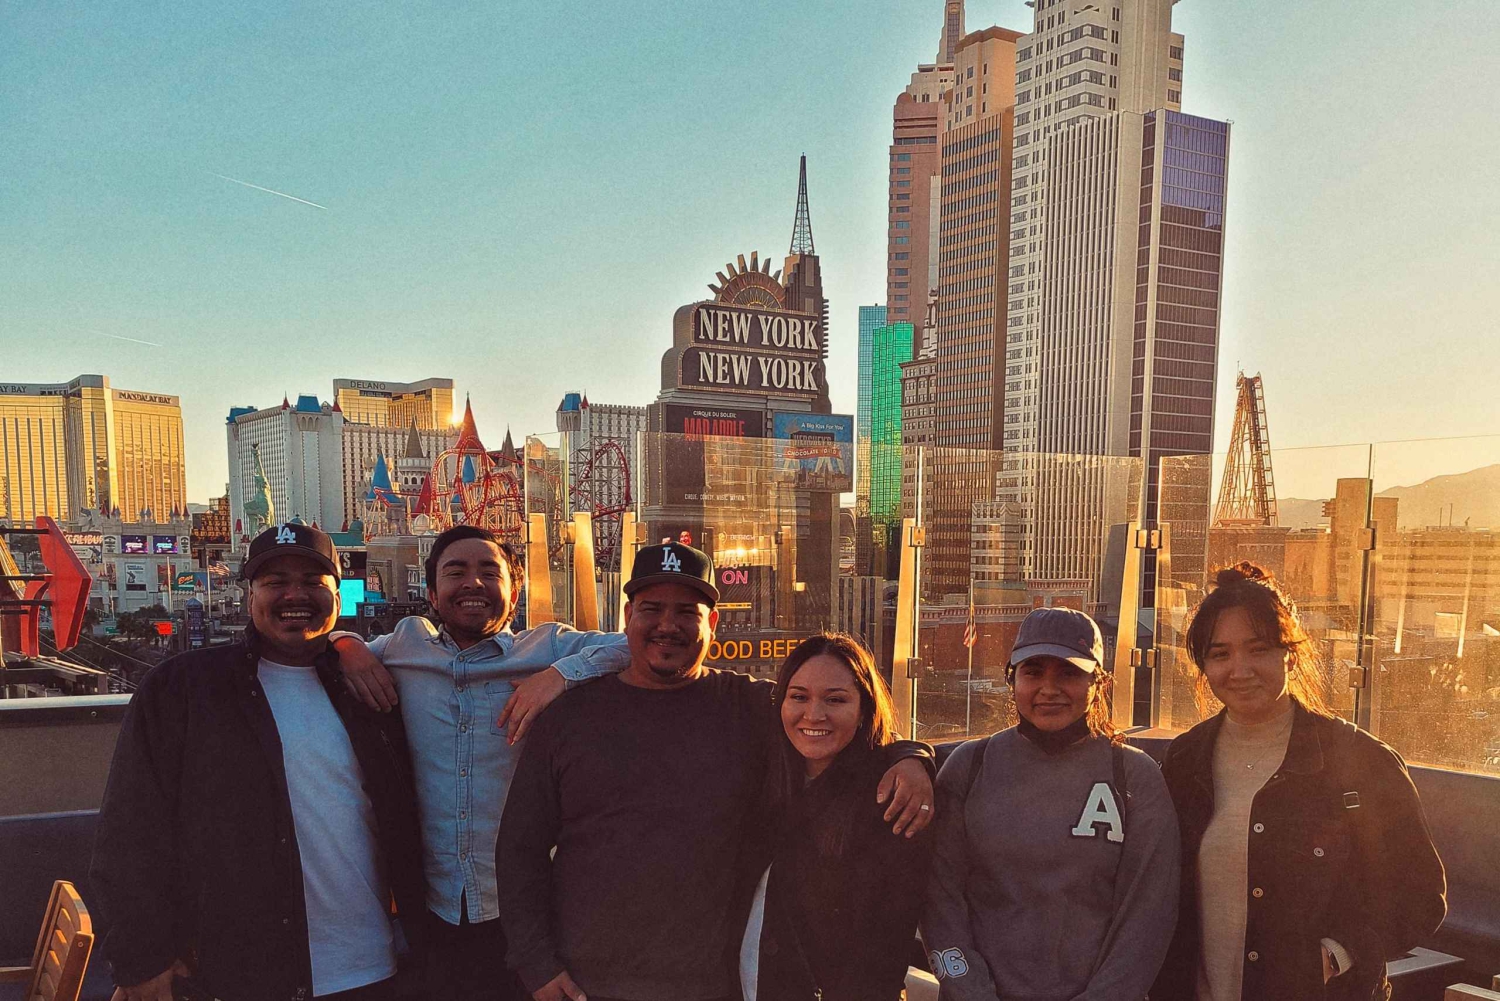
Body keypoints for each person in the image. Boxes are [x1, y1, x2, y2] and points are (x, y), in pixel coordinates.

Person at [495, 542, 936, 1001]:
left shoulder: (753, 707)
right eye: (652, 609)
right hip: (585, 984)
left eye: (687, 611)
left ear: (713, 624)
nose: (668, 625)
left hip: (715, 984)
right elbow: (520, 848)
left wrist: (910, 756)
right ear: (627, 618)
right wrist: (537, 965)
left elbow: (834, 726)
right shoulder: (569, 718)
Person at [91, 523, 425, 1001]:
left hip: (370, 964)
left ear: (337, 595)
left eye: (312, 582)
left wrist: (345, 642)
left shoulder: (372, 690)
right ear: (250, 596)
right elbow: (130, 831)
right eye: (275, 582)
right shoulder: (182, 690)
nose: (295, 595)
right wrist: (141, 958)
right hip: (235, 974)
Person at [329, 524, 632, 1001]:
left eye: (490, 572)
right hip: (431, 910)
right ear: (432, 594)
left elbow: (635, 644)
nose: (473, 583)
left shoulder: (547, 648)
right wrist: (344, 644)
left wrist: (559, 675)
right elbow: (327, 646)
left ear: (515, 593)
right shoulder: (404, 646)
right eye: (456, 572)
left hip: (527, 910)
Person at [1152, 563, 1447, 1001]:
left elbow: (1421, 896)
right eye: (1220, 654)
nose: (1240, 669)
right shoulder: (1184, 760)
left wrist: (1337, 955)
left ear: (1289, 654)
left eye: (1259, 649)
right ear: (1203, 666)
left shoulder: (1360, 761)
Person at [923, 605, 1180, 1001]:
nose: (1049, 688)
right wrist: (971, 992)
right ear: (1012, 680)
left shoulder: (1134, 775)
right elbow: (940, 901)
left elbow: (1149, 912)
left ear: (1098, 682)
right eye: (1033, 672)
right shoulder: (968, 767)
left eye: (1069, 673)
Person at [740, 633, 934, 1001]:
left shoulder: (891, 801)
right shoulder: (761, 776)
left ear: (864, 708)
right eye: (799, 697)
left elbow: (885, 948)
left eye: (835, 700)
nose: (814, 715)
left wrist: (914, 757)